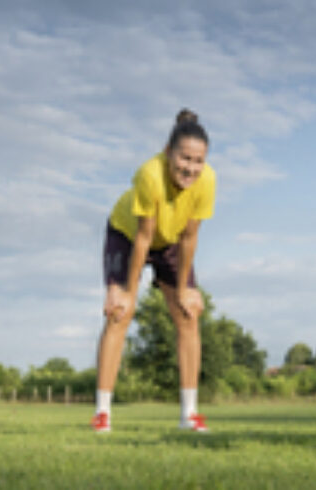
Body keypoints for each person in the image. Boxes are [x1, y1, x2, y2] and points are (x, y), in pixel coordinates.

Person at [91, 109, 216, 433]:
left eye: (198, 161)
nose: (190, 167)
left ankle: (189, 415)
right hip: (128, 235)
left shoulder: (208, 181)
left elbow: (190, 237)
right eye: (184, 158)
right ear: (168, 152)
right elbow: (144, 238)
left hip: (171, 241)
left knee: (188, 315)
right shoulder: (150, 175)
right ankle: (102, 413)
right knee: (119, 313)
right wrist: (128, 293)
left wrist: (186, 289)